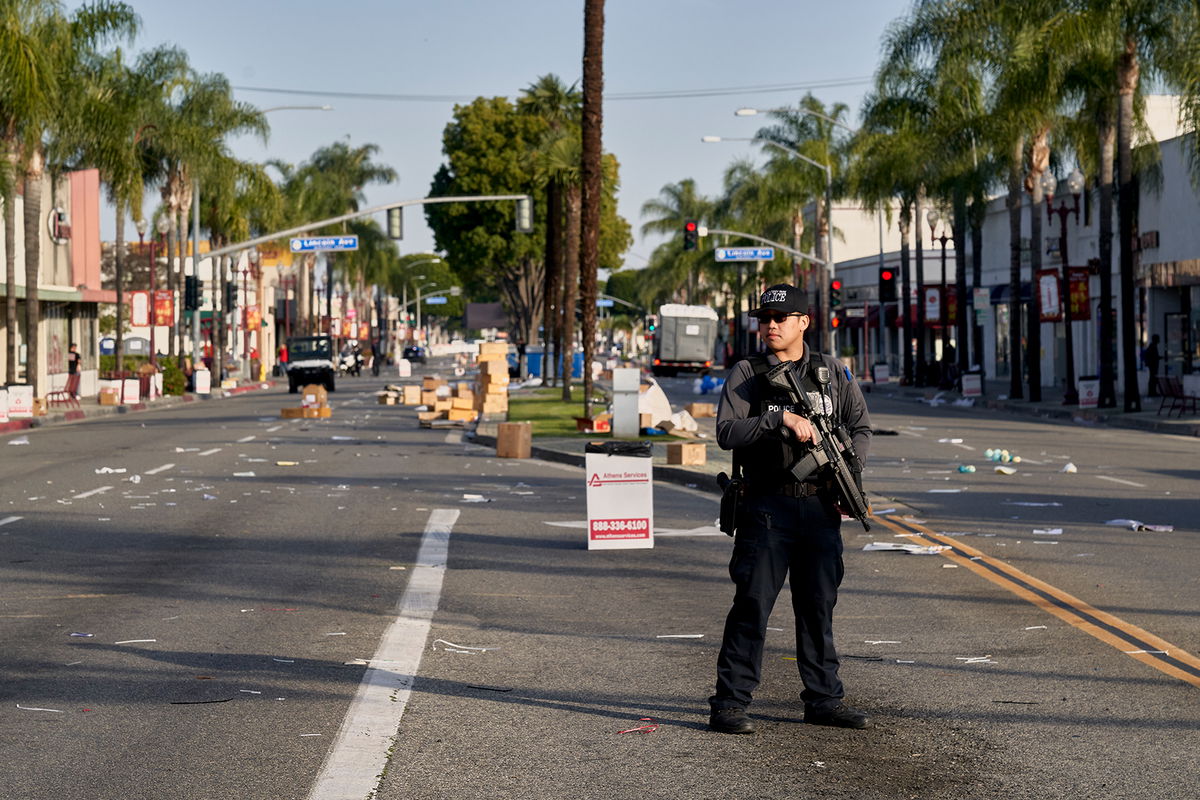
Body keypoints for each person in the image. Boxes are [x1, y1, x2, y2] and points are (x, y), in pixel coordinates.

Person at [709, 283, 873, 735]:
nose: (771, 326)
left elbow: (860, 425)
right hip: (766, 507)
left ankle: (824, 699)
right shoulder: (748, 372)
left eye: (780, 318)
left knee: (818, 606)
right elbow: (726, 432)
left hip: (820, 507)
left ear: (803, 322)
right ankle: (729, 703)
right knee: (753, 605)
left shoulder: (831, 371)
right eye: (764, 319)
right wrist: (778, 419)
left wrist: (849, 466)